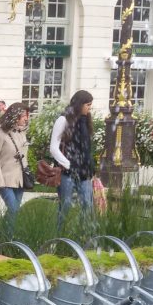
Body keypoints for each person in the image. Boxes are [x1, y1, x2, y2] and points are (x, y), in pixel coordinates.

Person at [50, 90, 96, 229]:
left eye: (90, 105)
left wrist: (90, 166)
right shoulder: (63, 119)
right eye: (87, 104)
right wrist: (68, 164)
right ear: (79, 104)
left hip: (84, 171)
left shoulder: (85, 120)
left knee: (88, 205)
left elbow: (86, 147)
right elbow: (53, 147)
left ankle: (85, 237)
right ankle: (59, 237)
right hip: (67, 171)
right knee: (66, 205)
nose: (89, 108)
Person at [0, 102, 31, 230]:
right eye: (23, 115)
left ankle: (4, 239)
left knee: (15, 212)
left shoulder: (21, 132)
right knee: (13, 210)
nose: (26, 118)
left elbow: (24, 156)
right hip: (4, 179)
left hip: (19, 180)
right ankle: (7, 241)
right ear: (15, 116)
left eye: (26, 115)